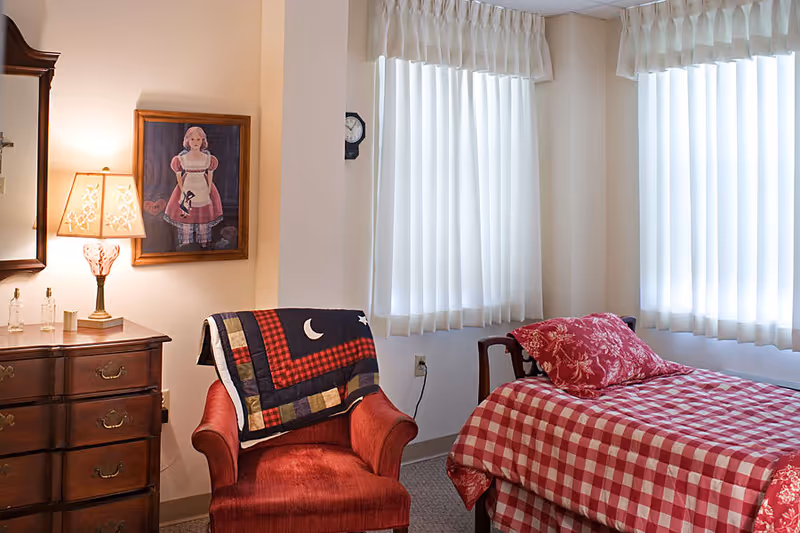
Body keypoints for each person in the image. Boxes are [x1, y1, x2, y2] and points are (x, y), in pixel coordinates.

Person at [162, 126, 223, 248]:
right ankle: (185, 243)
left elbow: (210, 174)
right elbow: (179, 175)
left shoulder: (208, 159)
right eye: (192, 139)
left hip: (202, 186)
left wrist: (209, 189)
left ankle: (204, 242)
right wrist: (182, 190)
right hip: (188, 185)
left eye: (198, 139)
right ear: (187, 141)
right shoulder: (181, 159)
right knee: (186, 212)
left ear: (203, 141)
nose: (195, 142)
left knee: (203, 212)